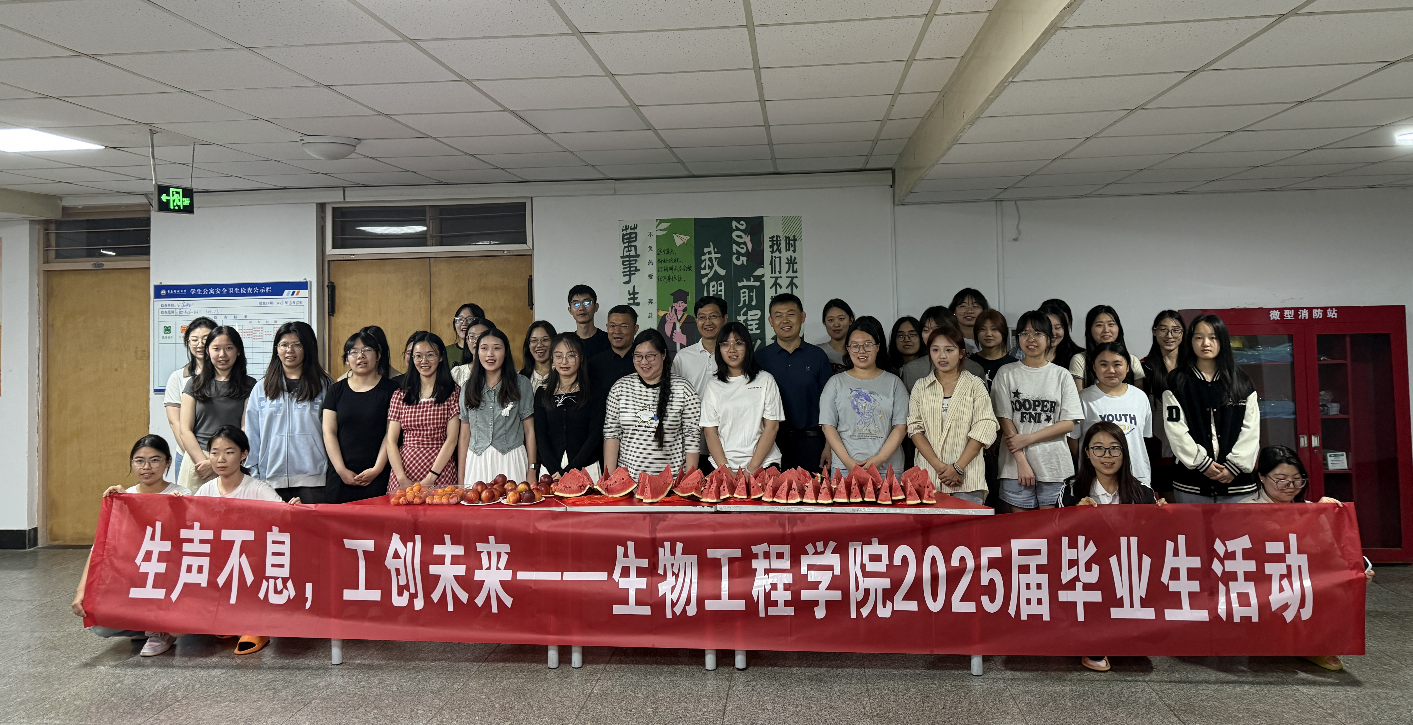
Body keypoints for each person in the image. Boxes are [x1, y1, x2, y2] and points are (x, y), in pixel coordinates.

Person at [1244, 445, 1371, 670]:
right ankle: (1280, 638)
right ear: (1262, 477)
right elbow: (1277, 539)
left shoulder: (1311, 508)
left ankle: (1317, 644)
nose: (1290, 486)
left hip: (1305, 576)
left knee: (1341, 582)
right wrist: (1315, 516)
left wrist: (1354, 572)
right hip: (1264, 580)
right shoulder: (1245, 509)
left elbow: (1330, 550)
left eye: (1297, 479)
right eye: (1281, 479)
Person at [1058, 421, 1162, 673]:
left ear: (1124, 452)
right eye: (1098, 448)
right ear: (1087, 453)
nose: (1107, 455)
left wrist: (1164, 518)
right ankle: (1094, 639)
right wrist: (1075, 517)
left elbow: (1154, 540)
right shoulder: (1072, 489)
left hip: (1128, 567)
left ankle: (1127, 632)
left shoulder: (1144, 493)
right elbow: (1057, 534)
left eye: (1114, 448)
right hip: (1089, 568)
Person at [72, 435, 184, 657]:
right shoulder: (123, 496)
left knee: (177, 622)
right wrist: (81, 591)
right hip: (133, 575)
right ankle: (150, 626)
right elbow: (99, 549)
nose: (146, 467)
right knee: (100, 625)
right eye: (139, 461)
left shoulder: (181, 494)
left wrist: (179, 508)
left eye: (155, 460)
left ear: (168, 462)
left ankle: (161, 630)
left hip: (165, 574)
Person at [193, 425, 289, 656]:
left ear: (244, 454)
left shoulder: (257, 488)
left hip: (252, 559)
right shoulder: (205, 490)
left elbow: (284, 514)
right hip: (218, 559)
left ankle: (255, 627)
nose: (220, 459)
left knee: (249, 564)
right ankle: (228, 618)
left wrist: (293, 509)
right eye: (214, 453)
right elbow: (188, 521)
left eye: (229, 452)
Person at [1162, 314, 1260, 504]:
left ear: (1223, 340)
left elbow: (1251, 430)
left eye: (1213, 337)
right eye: (1199, 337)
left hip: (1238, 484)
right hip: (1192, 483)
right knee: (1193, 525)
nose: (1205, 343)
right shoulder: (1177, 381)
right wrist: (1202, 463)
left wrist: (1234, 466)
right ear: (1190, 341)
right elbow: (1176, 430)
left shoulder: (1241, 381)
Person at [991, 311, 1082, 512]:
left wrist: (1028, 439)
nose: (1031, 339)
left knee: (1051, 528)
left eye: (1038, 333)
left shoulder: (1062, 375)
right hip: (1015, 465)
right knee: (1021, 528)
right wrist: (1021, 461)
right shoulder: (1006, 373)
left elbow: (1068, 423)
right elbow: (1004, 418)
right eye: (1024, 333)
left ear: (1049, 339)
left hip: (1054, 465)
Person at [908, 326, 998, 505]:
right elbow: (915, 429)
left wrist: (957, 468)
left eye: (949, 350)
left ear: (961, 353)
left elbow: (985, 427)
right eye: (935, 350)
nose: (942, 356)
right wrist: (940, 468)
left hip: (968, 478)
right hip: (929, 476)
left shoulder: (975, 385)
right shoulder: (921, 386)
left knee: (967, 524)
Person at [244, 321, 331, 503]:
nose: (289, 350)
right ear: (276, 349)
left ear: (307, 348)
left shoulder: (325, 386)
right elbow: (252, 434)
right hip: (270, 478)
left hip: (315, 479)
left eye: (297, 345)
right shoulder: (262, 388)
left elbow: (333, 432)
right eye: (284, 345)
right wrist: (253, 472)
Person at [603, 329, 701, 478]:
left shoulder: (684, 390)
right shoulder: (620, 388)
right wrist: (609, 479)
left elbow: (692, 437)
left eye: (650, 356)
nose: (644, 362)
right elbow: (612, 434)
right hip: (629, 481)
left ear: (663, 354)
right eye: (638, 356)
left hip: (672, 482)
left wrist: (689, 480)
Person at [820, 316, 909, 475]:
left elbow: (901, 427)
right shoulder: (835, 383)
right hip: (845, 468)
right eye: (855, 346)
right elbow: (828, 426)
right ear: (848, 349)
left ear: (877, 347)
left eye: (867, 345)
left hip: (887, 469)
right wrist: (848, 463)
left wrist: (880, 459)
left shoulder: (894, 383)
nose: (861, 351)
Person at [757, 293, 835, 474]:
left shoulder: (817, 356)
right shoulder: (760, 358)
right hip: (771, 445)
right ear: (770, 321)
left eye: (791, 314)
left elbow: (831, 406)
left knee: (812, 491)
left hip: (812, 444)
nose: (785, 320)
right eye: (778, 316)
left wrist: (829, 446)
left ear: (802, 317)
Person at [322, 328, 400, 503]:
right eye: (354, 352)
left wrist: (377, 469)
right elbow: (328, 432)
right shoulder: (336, 390)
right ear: (347, 359)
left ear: (378, 355)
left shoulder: (392, 390)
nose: (361, 356)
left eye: (367, 350)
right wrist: (341, 470)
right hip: (340, 475)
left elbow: (391, 434)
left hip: (379, 474)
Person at [176, 326, 257, 493]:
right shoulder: (194, 384)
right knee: (193, 509)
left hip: (232, 459)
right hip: (198, 461)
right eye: (216, 349)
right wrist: (206, 463)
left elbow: (246, 427)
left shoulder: (250, 385)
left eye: (229, 348)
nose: (222, 354)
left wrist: (223, 461)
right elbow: (185, 430)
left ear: (238, 351)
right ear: (207, 351)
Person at [701, 322, 784, 473]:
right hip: (722, 466)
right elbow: (710, 432)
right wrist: (726, 469)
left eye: (738, 343)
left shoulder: (765, 380)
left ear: (748, 346)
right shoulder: (713, 385)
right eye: (725, 344)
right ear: (719, 349)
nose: (732, 349)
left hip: (763, 464)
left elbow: (772, 427)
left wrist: (751, 469)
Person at [458, 328, 538, 485]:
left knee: (513, 500)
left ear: (506, 352)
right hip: (477, 461)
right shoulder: (468, 387)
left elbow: (529, 430)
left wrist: (532, 469)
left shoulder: (521, 384)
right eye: (484, 348)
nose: (490, 354)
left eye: (496, 348)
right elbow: (465, 435)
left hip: (511, 459)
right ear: (477, 352)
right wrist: (461, 477)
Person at [386, 332, 462, 491]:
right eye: (418, 356)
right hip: (404, 471)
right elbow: (391, 440)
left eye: (430, 355)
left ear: (441, 357)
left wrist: (431, 478)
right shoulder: (400, 395)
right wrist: (401, 477)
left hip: (440, 471)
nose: (424, 361)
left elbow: (452, 439)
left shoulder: (453, 392)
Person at [1069, 342, 1153, 486]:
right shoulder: (1083, 398)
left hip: (1136, 476)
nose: (1111, 370)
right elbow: (1074, 441)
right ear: (1094, 367)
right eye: (1103, 364)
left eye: (1117, 364)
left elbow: (1143, 438)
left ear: (1127, 367)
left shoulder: (1140, 397)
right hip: (1097, 478)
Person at [534, 333, 602, 480]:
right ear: (552, 358)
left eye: (571, 356)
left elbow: (594, 436)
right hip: (551, 471)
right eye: (558, 356)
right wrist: (554, 470)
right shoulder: (542, 393)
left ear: (581, 357)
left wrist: (569, 471)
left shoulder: (594, 392)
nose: (564, 361)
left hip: (586, 468)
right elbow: (540, 436)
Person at [163, 316, 216, 481]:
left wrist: (215, 460)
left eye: (205, 339)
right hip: (188, 456)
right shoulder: (178, 378)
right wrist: (197, 458)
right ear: (188, 343)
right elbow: (175, 423)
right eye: (194, 340)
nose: (200, 344)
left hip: (222, 457)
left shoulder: (227, 377)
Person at [1142, 311, 1185, 499]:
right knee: (1168, 506)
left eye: (1176, 330)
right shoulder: (1144, 368)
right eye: (1163, 330)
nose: (1169, 336)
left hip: (1191, 447)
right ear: (1154, 332)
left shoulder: (1193, 368)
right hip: (1158, 447)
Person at [900, 306, 982, 391]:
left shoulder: (974, 369)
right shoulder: (911, 370)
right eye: (926, 330)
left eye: (937, 330)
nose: (931, 335)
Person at [1069, 305, 1146, 390]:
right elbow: (1078, 396)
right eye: (1099, 325)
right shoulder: (1080, 360)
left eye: (1111, 324)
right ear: (1090, 329)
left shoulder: (1133, 360)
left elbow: (1139, 394)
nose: (1106, 330)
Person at [672, 295, 728, 395]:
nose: (708, 322)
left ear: (725, 319)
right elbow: (674, 393)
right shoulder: (683, 357)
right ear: (696, 320)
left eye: (713, 316)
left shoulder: (732, 354)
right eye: (702, 317)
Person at [588, 305, 639, 402]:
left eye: (624, 326)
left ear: (635, 329)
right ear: (607, 327)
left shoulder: (644, 362)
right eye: (613, 326)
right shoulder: (594, 364)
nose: (617, 331)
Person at [971, 309, 1011, 391]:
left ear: (1003, 332)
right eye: (983, 329)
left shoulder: (1013, 364)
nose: (988, 334)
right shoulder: (969, 363)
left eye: (994, 329)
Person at [568, 284, 610, 359]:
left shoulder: (609, 340)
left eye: (587, 303)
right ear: (570, 310)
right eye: (576, 304)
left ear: (596, 307)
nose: (581, 308)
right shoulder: (568, 343)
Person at [451, 318, 495, 387]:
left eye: (481, 336)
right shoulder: (458, 373)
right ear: (467, 340)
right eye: (472, 336)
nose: (476, 341)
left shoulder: (503, 373)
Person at [949, 288, 989, 354]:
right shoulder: (947, 339)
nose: (969, 311)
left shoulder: (990, 338)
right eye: (963, 306)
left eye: (975, 306)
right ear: (954, 311)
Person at [445, 302, 485, 367]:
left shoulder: (486, 351)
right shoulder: (446, 352)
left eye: (470, 319)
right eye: (460, 319)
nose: (464, 323)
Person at [520, 320, 557, 391]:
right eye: (534, 341)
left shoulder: (563, 376)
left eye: (545, 340)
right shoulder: (519, 378)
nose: (539, 345)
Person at [659, 288, 698, 354]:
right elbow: (660, 336)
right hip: (669, 355)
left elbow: (695, 337)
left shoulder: (691, 319)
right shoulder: (665, 317)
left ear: (685, 305)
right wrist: (669, 324)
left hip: (687, 354)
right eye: (677, 303)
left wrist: (684, 339)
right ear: (674, 304)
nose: (679, 305)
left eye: (682, 302)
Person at [821, 299, 855, 373]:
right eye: (831, 320)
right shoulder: (817, 352)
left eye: (841, 319)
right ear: (824, 322)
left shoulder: (859, 351)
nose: (836, 324)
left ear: (851, 320)